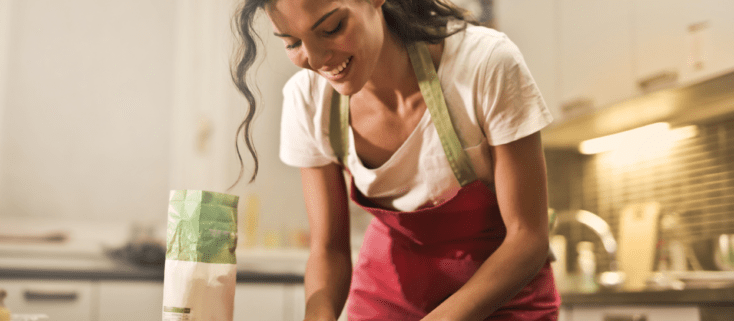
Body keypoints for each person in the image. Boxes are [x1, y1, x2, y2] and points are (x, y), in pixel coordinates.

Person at [230, 0, 560, 320]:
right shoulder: (308, 99)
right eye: (292, 42)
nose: (316, 60)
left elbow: (528, 238)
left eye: (332, 28)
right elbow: (328, 249)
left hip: (503, 298)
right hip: (388, 297)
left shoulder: (484, 64)